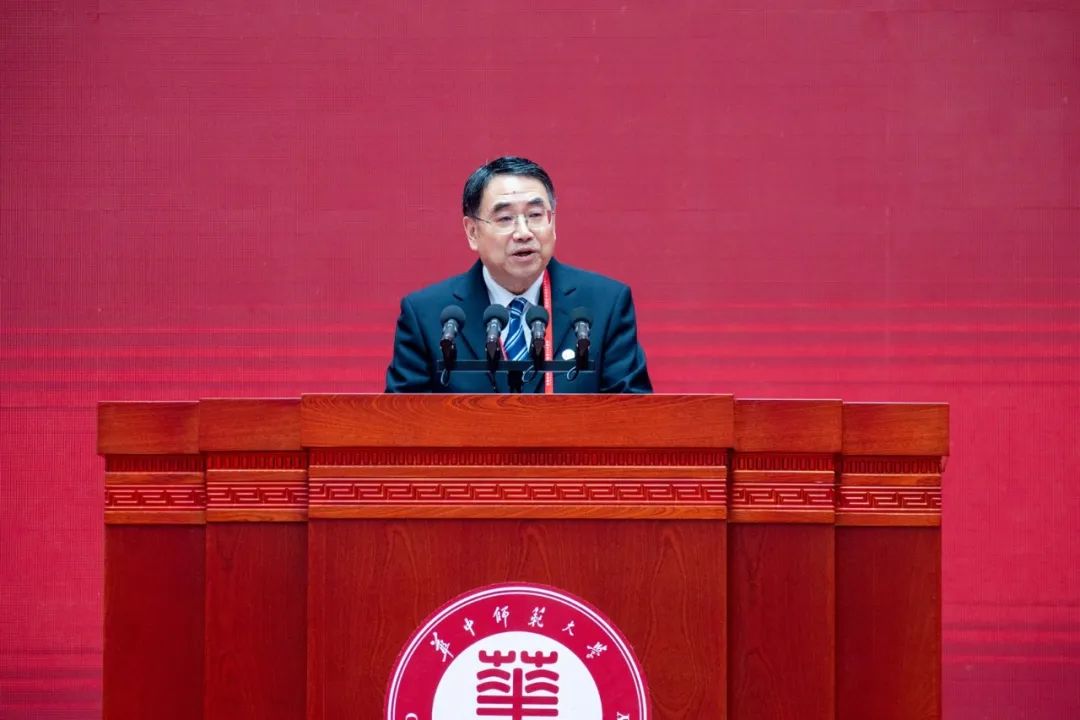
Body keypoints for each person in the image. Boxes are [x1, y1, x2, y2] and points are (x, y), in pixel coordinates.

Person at [385, 156, 652, 393]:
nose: (524, 232)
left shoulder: (605, 304)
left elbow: (634, 417)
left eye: (535, 215)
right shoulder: (427, 315)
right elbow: (401, 420)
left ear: (552, 223)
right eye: (505, 219)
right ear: (472, 232)